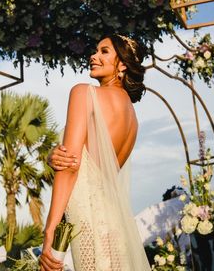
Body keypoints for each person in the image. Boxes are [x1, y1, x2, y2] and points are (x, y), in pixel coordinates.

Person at [40, 35, 152, 271]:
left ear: (122, 64)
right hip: (115, 222)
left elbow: (71, 166)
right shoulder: (132, 117)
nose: (93, 56)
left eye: (104, 52)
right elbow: (96, 165)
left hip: (89, 222)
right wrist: (54, 155)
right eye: (95, 51)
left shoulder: (84, 93)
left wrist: (50, 229)